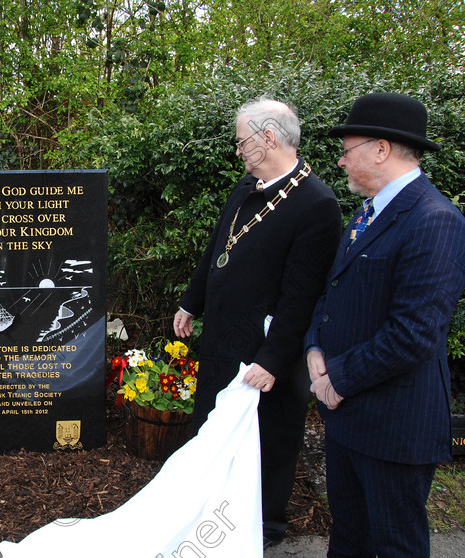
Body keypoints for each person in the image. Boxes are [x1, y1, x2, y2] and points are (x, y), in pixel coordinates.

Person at [173, 97, 343, 548]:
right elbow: (218, 250)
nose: (238, 151)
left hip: (269, 352)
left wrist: (272, 358)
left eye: (242, 140)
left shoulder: (317, 204)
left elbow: (303, 296)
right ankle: (212, 506)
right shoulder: (247, 186)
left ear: (268, 138)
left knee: (266, 438)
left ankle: (264, 524)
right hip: (225, 337)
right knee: (213, 424)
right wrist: (192, 302)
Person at [305, 92, 465, 557]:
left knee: (395, 543)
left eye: (347, 150)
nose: (340, 162)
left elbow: (415, 333)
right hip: (346, 417)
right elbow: (332, 293)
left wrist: (338, 378)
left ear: (380, 149)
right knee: (349, 536)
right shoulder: (366, 214)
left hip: (396, 425)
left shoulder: (435, 220)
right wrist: (314, 348)